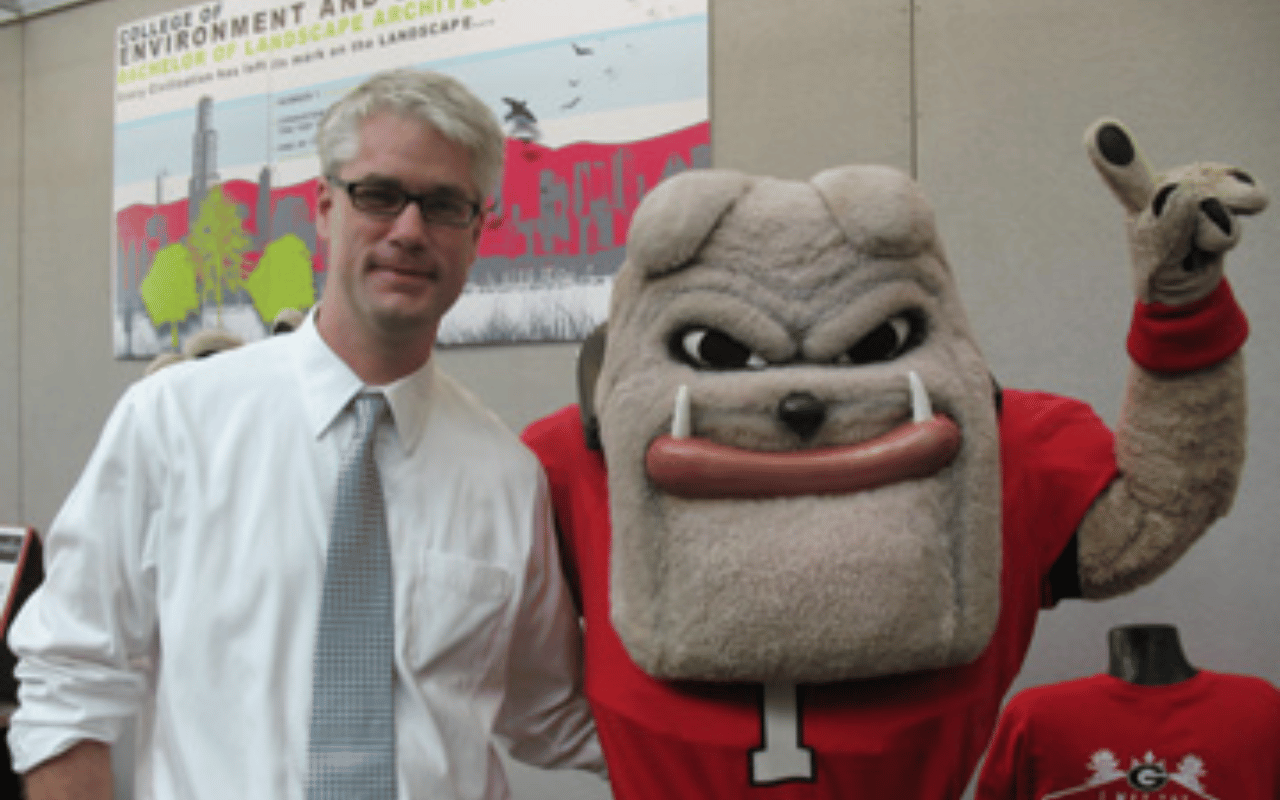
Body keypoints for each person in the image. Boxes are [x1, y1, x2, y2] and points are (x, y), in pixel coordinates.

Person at [7, 68, 603, 800]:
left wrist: (758, 721)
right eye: (379, 194)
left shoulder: (507, 477)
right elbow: (68, 678)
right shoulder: (172, 422)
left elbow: (547, 713)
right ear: (324, 207)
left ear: (478, 231)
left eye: (444, 205)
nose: (409, 230)